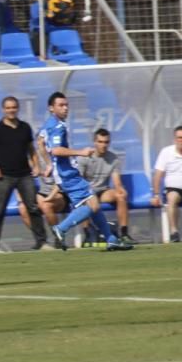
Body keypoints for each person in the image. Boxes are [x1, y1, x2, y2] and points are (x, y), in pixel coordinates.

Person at [41, 92, 131, 251]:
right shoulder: (58, 127)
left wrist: (49, 164)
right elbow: (56, 150)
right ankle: (61, 228)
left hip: (62, 173)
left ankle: (111, 240)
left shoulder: (48, 124)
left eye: (66, 105)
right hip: (67, 172)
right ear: (51, 108)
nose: (65, 108)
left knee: (92, 205)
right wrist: (80, 152)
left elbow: (40, 142)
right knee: (93, 204)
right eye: (61, 105)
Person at [0, 96, 48, 253]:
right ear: (3, 110)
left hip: (25, 175)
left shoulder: (25, 127)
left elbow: (31, 149)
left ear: (17, 108)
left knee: (33, 208)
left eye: (14, 107)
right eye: (8, 108)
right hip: (5, 177)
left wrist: (36, 166)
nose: (11, 110)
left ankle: (42, 242)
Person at [77, 128, 135, 245]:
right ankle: (88, 235)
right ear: (94, 142)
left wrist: (121, 190)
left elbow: (117, 182)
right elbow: (79, 180)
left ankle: (124, 233)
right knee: (83, 200)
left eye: (106, 142)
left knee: (121, 196)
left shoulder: (113, 159)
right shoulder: (84, 157)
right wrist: (87, 193)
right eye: (100, 142)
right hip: (87, 192)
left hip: (103, 192)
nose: (103, 145)